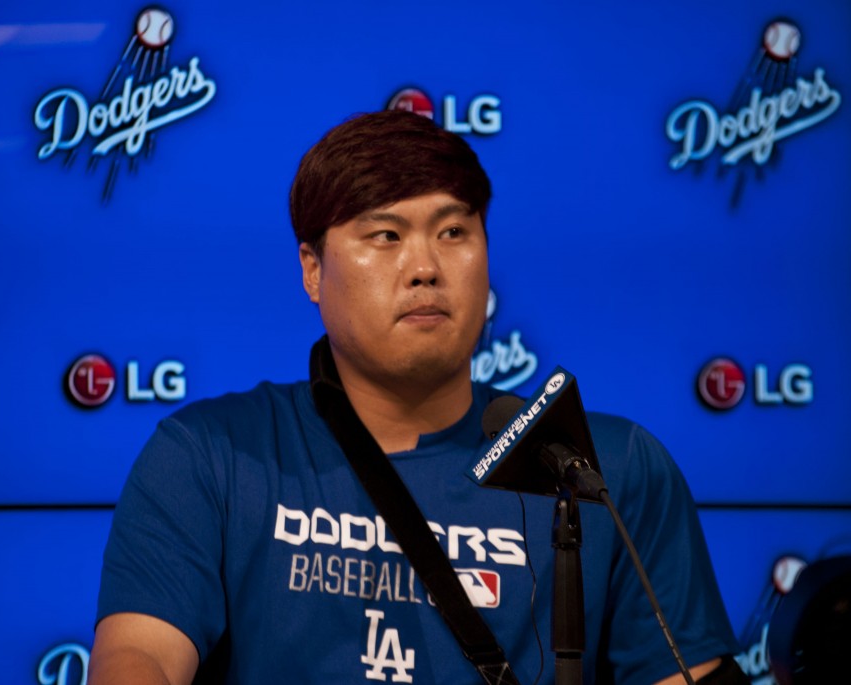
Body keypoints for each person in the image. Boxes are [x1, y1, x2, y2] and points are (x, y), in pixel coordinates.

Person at [88, 110, 746, 684]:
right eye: (387, 235)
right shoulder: (211, 456)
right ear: (312, 269)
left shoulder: (603, 466)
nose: (426, 266)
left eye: (454, 232)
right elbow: (138, 653)